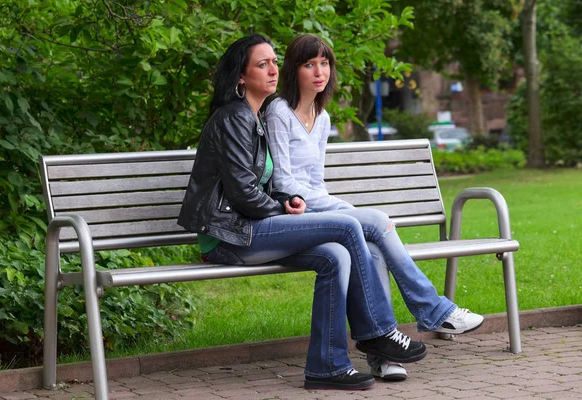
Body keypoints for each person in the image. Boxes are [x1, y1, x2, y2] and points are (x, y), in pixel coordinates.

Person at [178, 33, 430, 391]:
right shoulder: (234, 117)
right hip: (228, 236)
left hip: (249, 227)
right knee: (345, 228)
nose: (272, 70)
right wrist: (282, 205)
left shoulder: (256, 116)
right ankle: (379, 332)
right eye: (261, 64)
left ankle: (327, 366)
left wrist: (283, 198)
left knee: (335, 256)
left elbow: (260, 184)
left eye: (274, 62)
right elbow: (244, 195)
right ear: (240, 76)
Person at [265, 33, 484, 382]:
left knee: (369, 247)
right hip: (295, 214)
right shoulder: (279, 111)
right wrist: (339, 207)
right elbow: (283, 181)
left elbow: (316, 180)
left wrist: (338, 206)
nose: (319, 72)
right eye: (309, 64)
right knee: (377, 222)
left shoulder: (321, 117)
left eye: (324, 63)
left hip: (319, 205)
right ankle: (432, 310)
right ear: (295, 69)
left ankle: (381, 357)